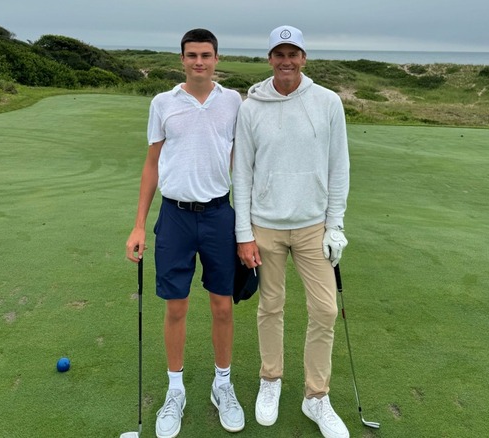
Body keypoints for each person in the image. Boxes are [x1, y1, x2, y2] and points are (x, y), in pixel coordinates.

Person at [232, 25, 351, 438]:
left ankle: (316, 396)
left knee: (325, 310)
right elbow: (241, 173)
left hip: (312, 226)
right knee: (271, 307)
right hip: (265, 226)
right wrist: (243, 233)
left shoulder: (328, 102)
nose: (286, 61)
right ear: (269, 59)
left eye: (293, 53)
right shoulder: (251, 106)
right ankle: (271, 380)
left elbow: (339, 167)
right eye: (279, 53)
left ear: (303, 58)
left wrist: (335, 225)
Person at [125, 28, 245, 438]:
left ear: (217, 58)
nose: (199, 62)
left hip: (218, 216)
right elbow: (151, 165)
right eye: (192, 55)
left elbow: (240, 165)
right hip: (174, 217)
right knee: (175, 307)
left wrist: (245, 227)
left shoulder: (233, 102)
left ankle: (222, 384)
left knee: (223, 306)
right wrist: (139, 224)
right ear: (181, 59)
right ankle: (175, 391)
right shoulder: (163, 103)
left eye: (206, 55)